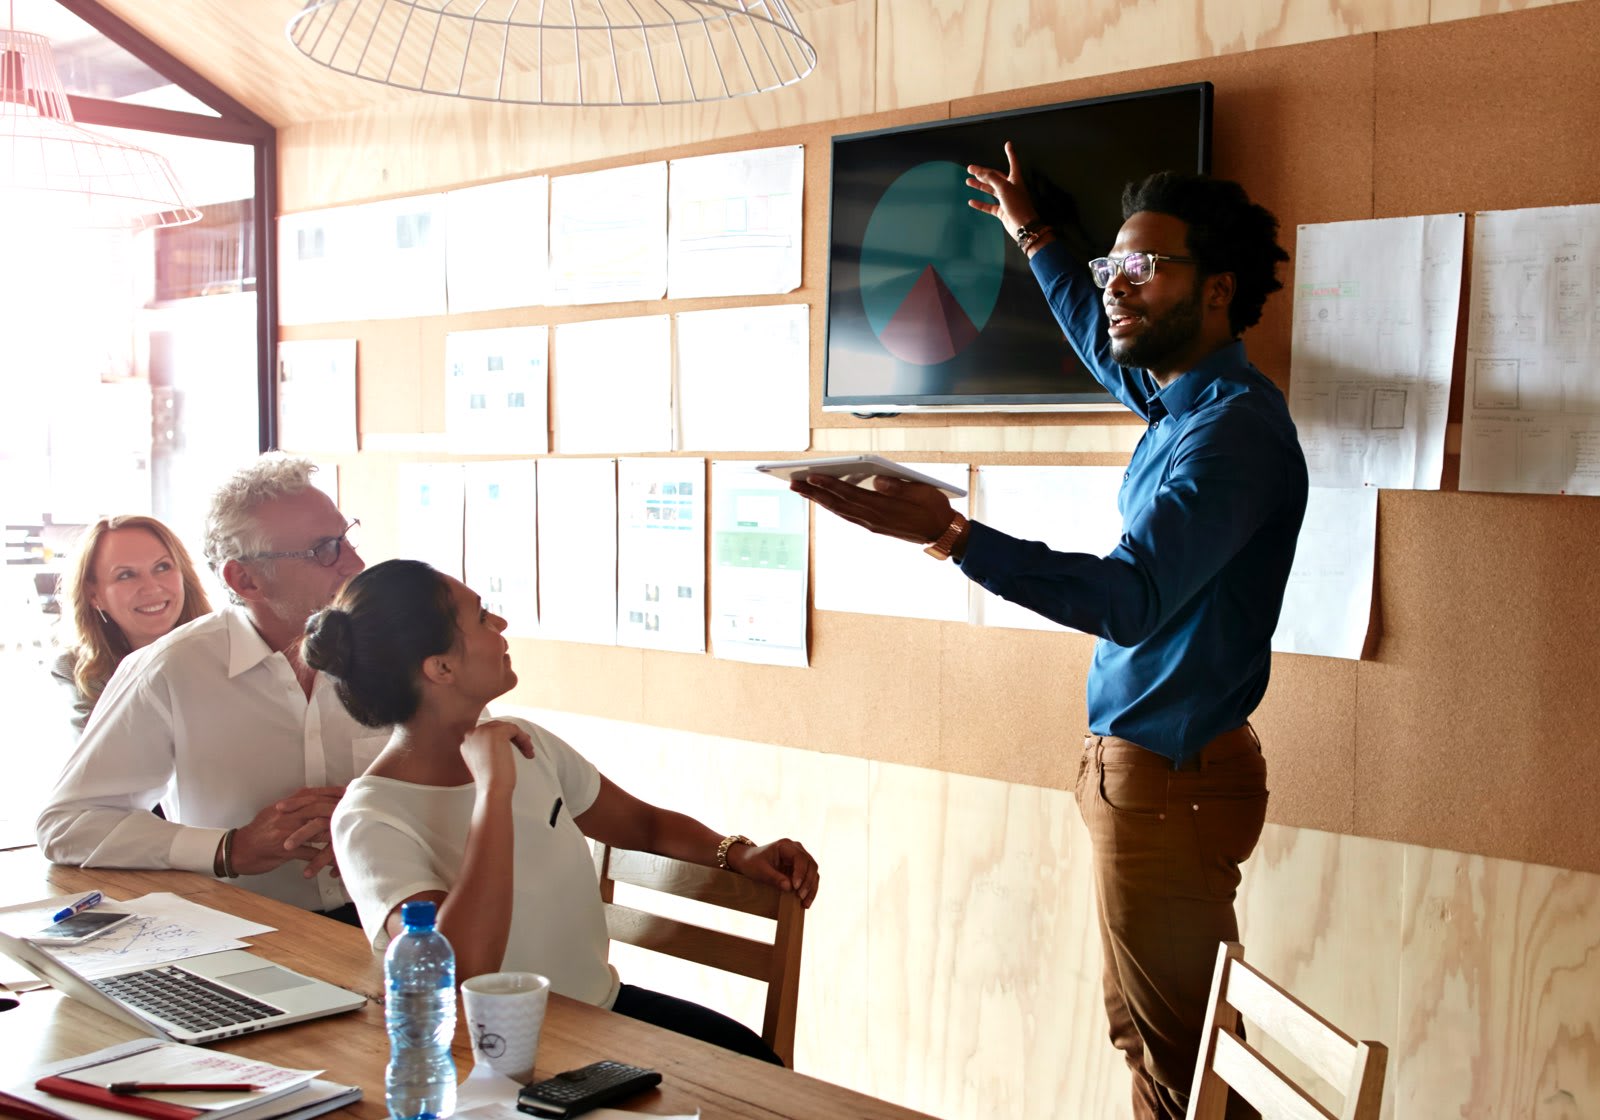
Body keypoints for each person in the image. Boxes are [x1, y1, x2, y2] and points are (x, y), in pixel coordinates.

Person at [789, 147, 1306, 1120]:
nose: (1116, 286)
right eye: (1113, 267)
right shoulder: (1184, 402)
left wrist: (949, 534)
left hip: (1170, 783)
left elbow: (1130, 597)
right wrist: (1035, 237)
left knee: (1185, 1068)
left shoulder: (1230, 429)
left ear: (1220, 289)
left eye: (1143, 267)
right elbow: (1101, 336)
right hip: (1147, 779)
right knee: (1151, 1050)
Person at [303, 559, 819, 1064]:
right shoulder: (369, 818)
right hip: (487, 1055)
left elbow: (643, 824)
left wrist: (739, 852)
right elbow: (459, 972)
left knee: (761, 1072)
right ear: (440, 668)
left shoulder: (532, 745)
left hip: (600, 1017)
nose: (501, 625)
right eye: (481, 617)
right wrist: (493, 793)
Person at [37, 458, 379, 921]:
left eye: (347, 538)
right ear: (245, 579)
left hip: (397, 920)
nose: (355, 563)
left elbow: (474, 764)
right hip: (244, 932)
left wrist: (385, 814)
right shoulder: (168, 671)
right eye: (324, 550)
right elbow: (67, 827)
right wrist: (228, 849)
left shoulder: (397, 648)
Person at [51, 515, 212, 739]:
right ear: (94, 595)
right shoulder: (79, 671)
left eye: (162, 567)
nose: (152, 588)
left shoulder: (233, 647)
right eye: (126, 575)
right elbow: (99, 764)